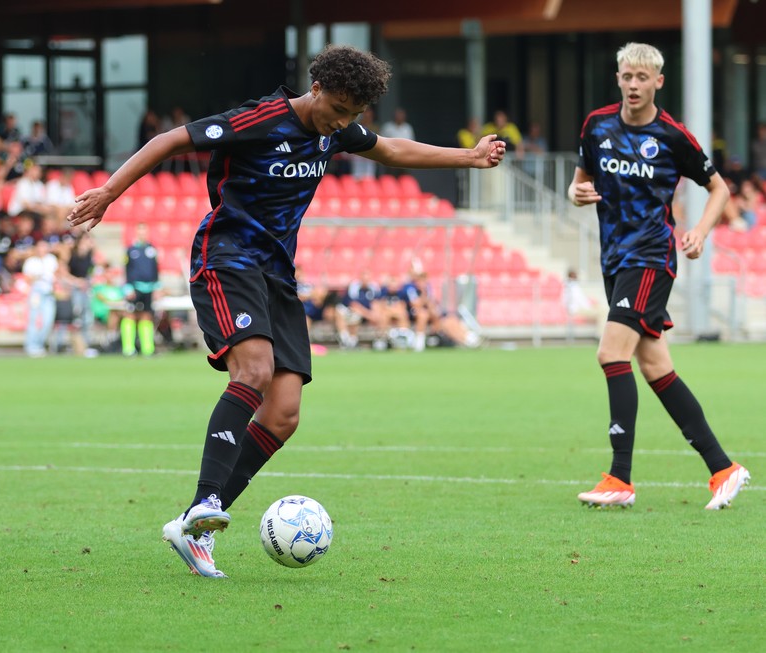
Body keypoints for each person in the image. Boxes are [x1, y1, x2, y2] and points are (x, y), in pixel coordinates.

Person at [67, 44, 505, 578]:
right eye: (337, 108)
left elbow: (389, 150)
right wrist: (111, 192)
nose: (341, 122)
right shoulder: (261, 119)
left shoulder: (334, 128)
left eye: (351, 116)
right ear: (316, 87)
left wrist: (469, 156)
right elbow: (169, 139)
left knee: (283, 413)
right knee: (253, 370)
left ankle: (192, 526)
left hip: (277, 275)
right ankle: (209, 499)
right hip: (226, 257)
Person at [568, 42, 749, 510]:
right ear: (619, 77)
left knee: (611, 354)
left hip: (649, 257)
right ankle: (723, 468)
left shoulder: (672, 136)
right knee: (656, 367)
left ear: (658, 82)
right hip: (614, 260)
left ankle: (620, 478)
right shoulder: (596, 125)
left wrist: (701, 233)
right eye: (626, 76)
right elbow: (580, 179)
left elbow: (719, 188)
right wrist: (575, 193)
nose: (632, 85)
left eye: (642, 78)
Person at [121, 222, 160, 357]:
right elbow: (127, 270)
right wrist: (128, 288)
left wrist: (157, 287)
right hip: (135, 287)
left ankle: (147, 349)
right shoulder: (131, 250)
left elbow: (155, 270)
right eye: (140, 231)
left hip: (149, 288)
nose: (142, 233)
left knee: (147, 316)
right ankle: (128, 348)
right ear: (137, 233)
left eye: (144, 231)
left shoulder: (151, 249)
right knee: (130, 315)